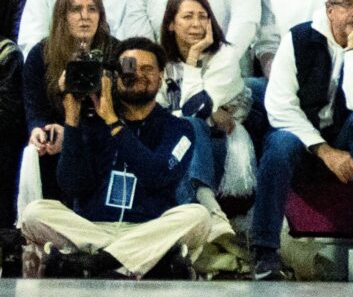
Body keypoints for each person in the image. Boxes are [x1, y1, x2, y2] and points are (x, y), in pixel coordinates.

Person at [18, 34, 223, 278]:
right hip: (93, 228)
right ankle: (138, 261)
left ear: (161, 78)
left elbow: (157, 175)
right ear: (114, 78)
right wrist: (72, 118)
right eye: (129, 68)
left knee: (197, 217)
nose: (137, 75)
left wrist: (114, 123)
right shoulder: (92, 125)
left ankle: (95, 262)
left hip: (149, 227)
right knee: (34, 213)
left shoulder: (180, 129)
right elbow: (72, 185)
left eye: (147, 69)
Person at [253, 0, 353, 279]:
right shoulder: (298, 39)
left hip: (345, 138)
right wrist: (324, 150)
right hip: (300, 136)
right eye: (347, 4)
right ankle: (264, 251)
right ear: (329, 9)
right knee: (279, 146)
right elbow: (279, 106)